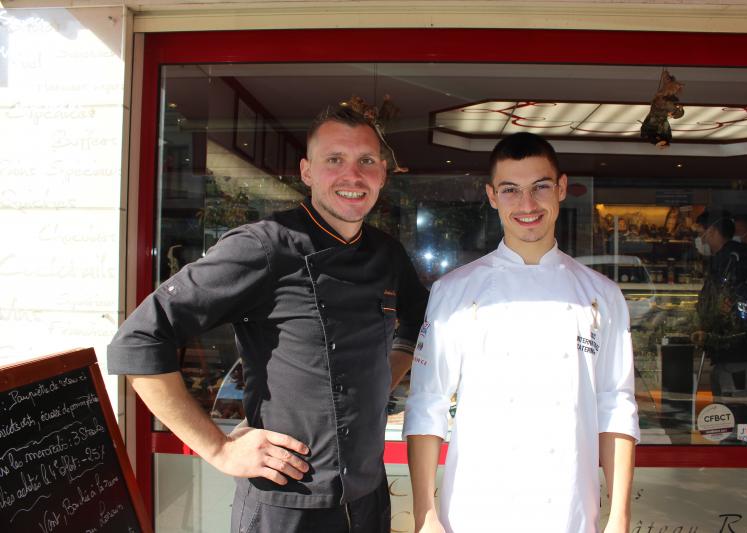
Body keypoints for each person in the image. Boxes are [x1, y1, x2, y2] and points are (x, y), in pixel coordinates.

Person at [108, 105, 428, 533]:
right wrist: (219, 448)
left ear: (382, 174)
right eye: (334, 159)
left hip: (368, 500)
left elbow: (417, 322)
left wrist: (379, 381)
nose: (352, 176)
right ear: (307, 171)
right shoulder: (264, 246)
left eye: (366, 161)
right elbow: (138, 341)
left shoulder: (386, 253)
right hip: (285, 505)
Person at [403, 132, 639, 533]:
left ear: (561, 188)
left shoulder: (602, 295)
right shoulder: (454, 292)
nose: (527, 205)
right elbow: (428, 405)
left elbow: (616, 405)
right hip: (475, 512)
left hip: (570, 514)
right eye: (511, 190)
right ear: (492, 196)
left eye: (540, 187)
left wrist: (618, 518)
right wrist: (426, 515)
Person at [692, 213, 747, 426]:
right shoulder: (737, 256)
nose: (702, 240)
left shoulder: (729, 260)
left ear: (713, 231)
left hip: (739, 353)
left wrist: (707, 330)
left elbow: (720, 305)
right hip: (736, 352)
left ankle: (741, 453)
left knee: (737, 413)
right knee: (732, 412)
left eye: (702, 234)